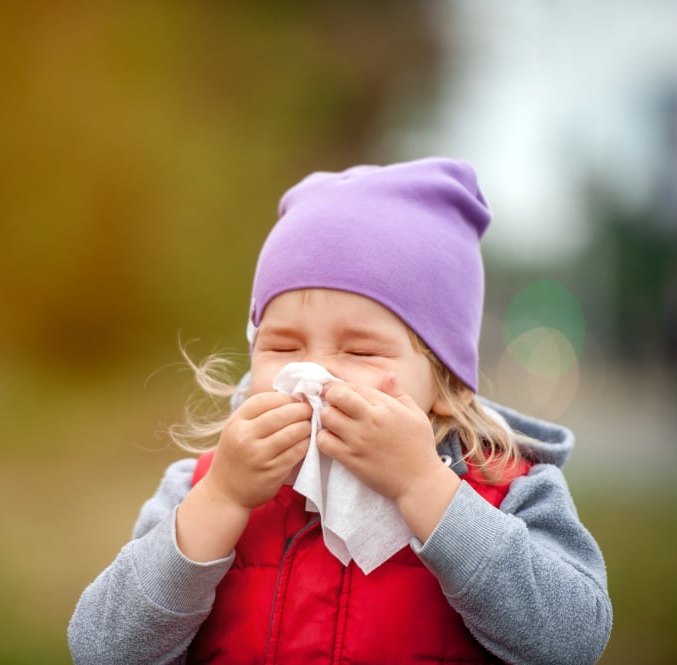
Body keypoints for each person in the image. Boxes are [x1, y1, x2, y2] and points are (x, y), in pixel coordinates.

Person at [68, 158, 612, 664]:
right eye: (283, 346)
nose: (317, 374)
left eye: (359, 351)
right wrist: (223, 499)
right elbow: (101, 648)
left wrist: (423, 486)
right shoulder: (201, 485)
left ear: (446, 382)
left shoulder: (509, 490)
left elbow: (573, 640)